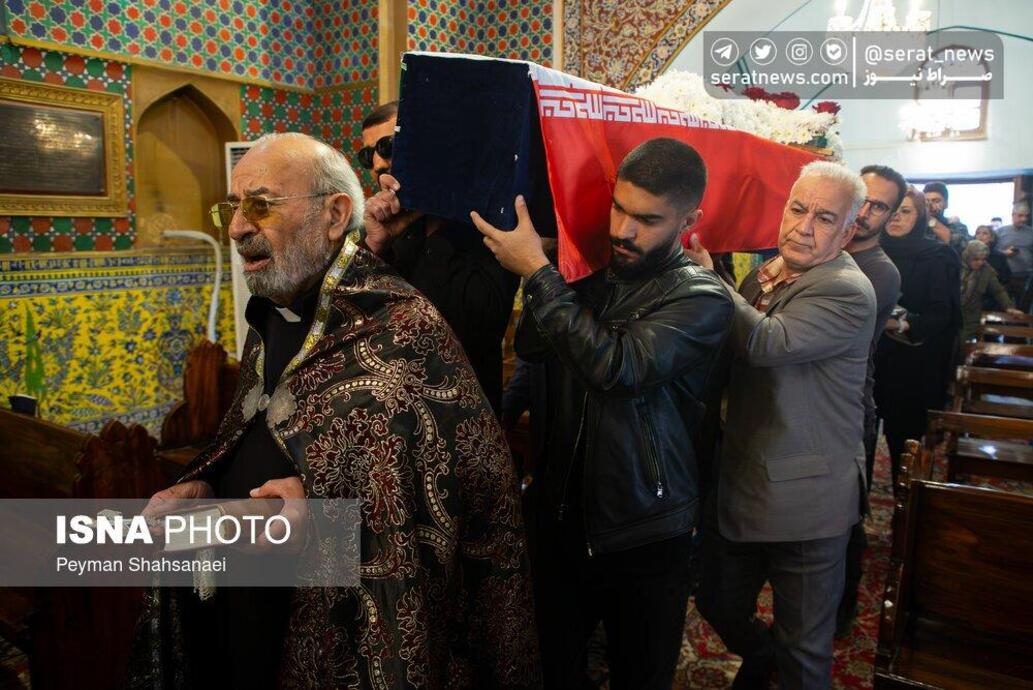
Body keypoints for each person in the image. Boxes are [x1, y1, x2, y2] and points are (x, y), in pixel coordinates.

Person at [131, 133, 539, 688]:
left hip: (337, 631)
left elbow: (441, 504)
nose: (237, 228)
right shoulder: (272, 314)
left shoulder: (403, 326)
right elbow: (257, 427)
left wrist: (322, 509)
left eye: (260, 205)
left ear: (335, 215)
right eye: (231, 208)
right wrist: (208, 481)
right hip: (248, 595)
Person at [470, 138, 733, 689]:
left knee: (640, 674)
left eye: (648, 220)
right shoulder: (591, 269)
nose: (624, 231)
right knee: (552, 668)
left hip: (644, 525)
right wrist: (558, 264)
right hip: (561, 514)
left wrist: (539, 274)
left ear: (689, 221)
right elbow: (535, 348)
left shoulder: (701, 296)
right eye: (618, 209)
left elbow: (618, 369)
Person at [687, 161, 876, 689]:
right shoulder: (766, 273)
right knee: (716, 601)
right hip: (744, 479)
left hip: (808, 501)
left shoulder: (847, 290)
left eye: (824, 218)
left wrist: (707, 279)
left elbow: (766, 342)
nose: (803, 227)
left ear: (847, 232)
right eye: (797, 209)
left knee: (804, 648)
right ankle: (760, 654)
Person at [359, 101, 519, 413]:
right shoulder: (383, 229)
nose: (377, 164)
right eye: (368, 155)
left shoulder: (490, 225)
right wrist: (375, 246)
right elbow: (349, 321)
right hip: (390, 419)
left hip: (461, 421)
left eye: (387, 147)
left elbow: (472, 328)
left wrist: (433, 217)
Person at [837, 164, 904, 638]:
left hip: (849, 405)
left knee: (843, 520)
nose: (863, 211)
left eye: (877, 205)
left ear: (892, 216)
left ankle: (840, 612)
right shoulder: (824, 244)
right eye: (860, 197)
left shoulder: (880, 272)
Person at [875, 186, 961, 483]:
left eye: (905, 211)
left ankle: (905, 496)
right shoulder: (870, 250)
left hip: (912, 363)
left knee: (903, 439)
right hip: (870, 358)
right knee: (860, 434)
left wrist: (900, 323)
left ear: (920, 216)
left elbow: (944, 315)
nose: (896, 217)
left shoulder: (938, 256)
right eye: (891, 210)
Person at [960, 239, 1022, 341]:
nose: (980, 262)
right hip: (951, 314)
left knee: (963, 343)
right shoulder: (954, 267)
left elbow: (998, 291)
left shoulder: (986, 270)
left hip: (971, 315)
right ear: (967, 257)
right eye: (976, 259)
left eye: (983, 259)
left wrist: (1009, 307)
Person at [994, 199, 1033, 308]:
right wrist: (1004, 253)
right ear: (1013, 215)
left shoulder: (1031, 232)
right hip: (1005, 277)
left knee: (1023, 309)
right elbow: (992, 252)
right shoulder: (1000, 232)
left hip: (1026, 277)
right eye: (1020, 215)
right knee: (1003, 308)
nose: (1023, 219)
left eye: (1026, 216)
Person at [922, 181, 969, 255]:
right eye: (926, 201)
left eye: (936, 201)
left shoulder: (958, 226)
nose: (930, 205)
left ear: (946, 204)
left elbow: (959, 247)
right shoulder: (916, 226)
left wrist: (930, 220)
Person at [974, 224, 1012, 290]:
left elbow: (1006, 276)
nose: (980, 235)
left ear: (991, 238)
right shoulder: (968, 254)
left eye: (985, 233)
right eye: (978, 233)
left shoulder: (999, 256)